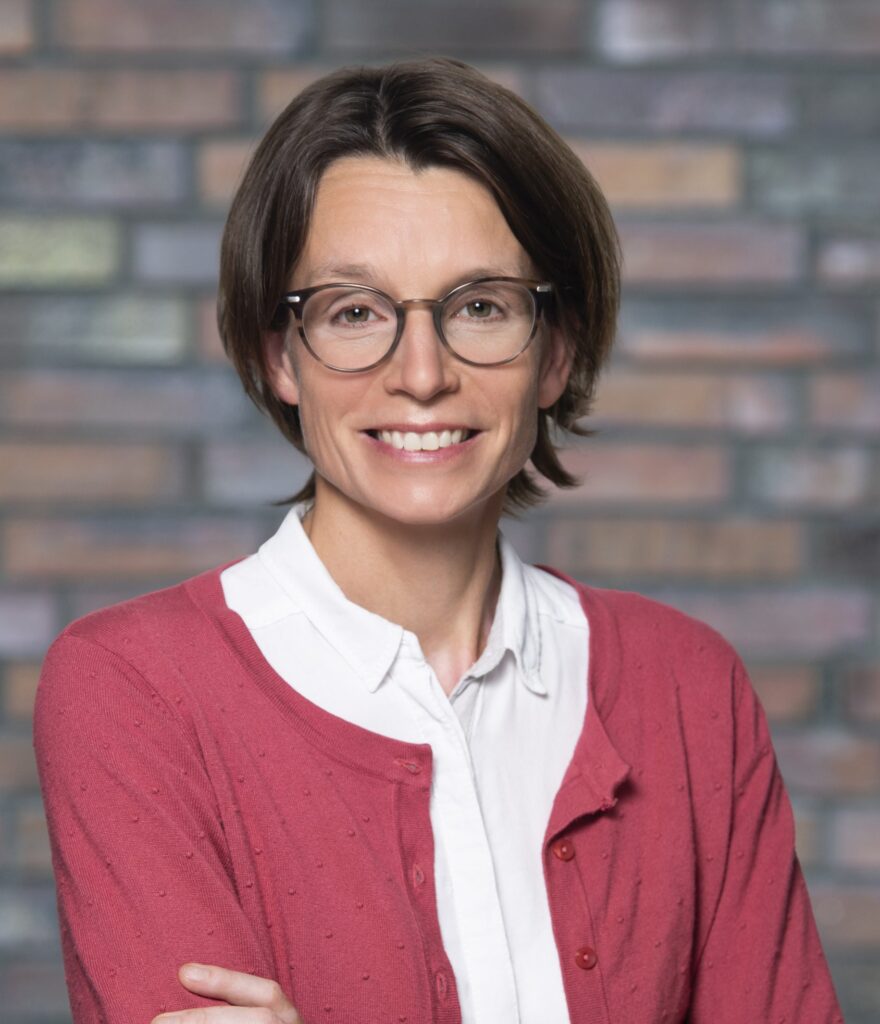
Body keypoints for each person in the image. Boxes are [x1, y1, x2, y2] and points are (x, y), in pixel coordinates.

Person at [34, 57, 843, 1024]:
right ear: (278, 355)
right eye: (354, 312)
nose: (421, 374)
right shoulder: (132, 692)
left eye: (481, 307)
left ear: (557, 352)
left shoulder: (689, 688)